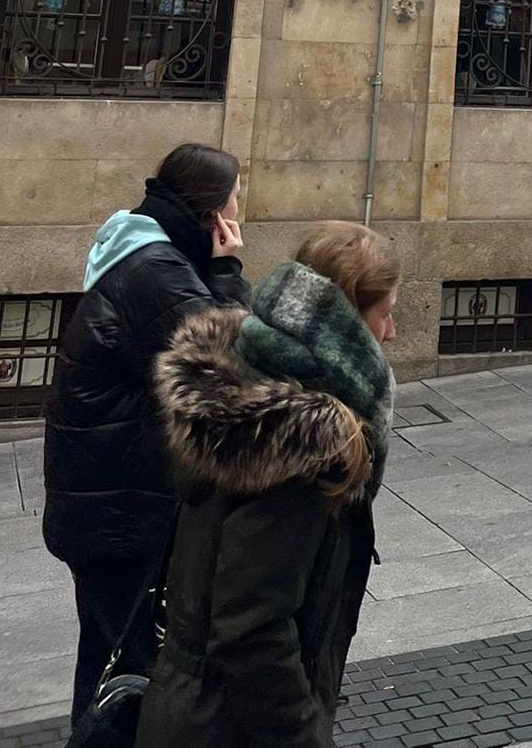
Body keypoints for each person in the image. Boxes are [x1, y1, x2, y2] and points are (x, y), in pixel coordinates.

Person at [136, 222, 398, 747]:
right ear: (346, 318)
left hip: (190, 707)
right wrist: (304, 736)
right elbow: (251, 631)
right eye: (384, 312)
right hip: (229, 728)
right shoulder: (306, 442)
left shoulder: (240, 374)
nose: (390, 331)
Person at [45, 144, 250, 723]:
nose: (241, 208)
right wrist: (228, 271)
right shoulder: (157, 271)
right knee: (126, 671)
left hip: (108, 500)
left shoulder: (141, 250)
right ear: (212, 210)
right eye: (236, 196)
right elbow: (229, 367)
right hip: (124, 507)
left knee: (115, 655)